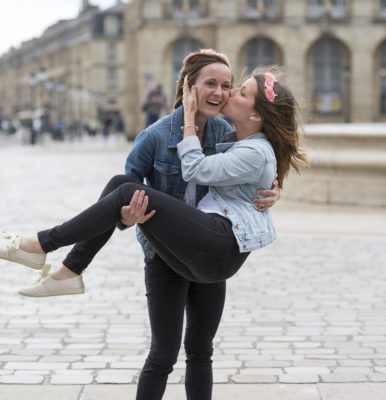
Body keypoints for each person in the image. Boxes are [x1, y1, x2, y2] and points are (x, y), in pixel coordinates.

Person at [0, 50, 285, 400]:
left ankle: (54, 257)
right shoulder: (153, 136)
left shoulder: (229, 131)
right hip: (164, 255)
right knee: (162, 355)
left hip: (208, 245)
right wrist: (126, 217)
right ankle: (61, 263)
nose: (221, 92)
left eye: (229, 86)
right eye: (211, 83)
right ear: (189, 86)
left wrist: (271, 191)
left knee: (201, 352)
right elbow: (115, 202)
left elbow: (255, 164)